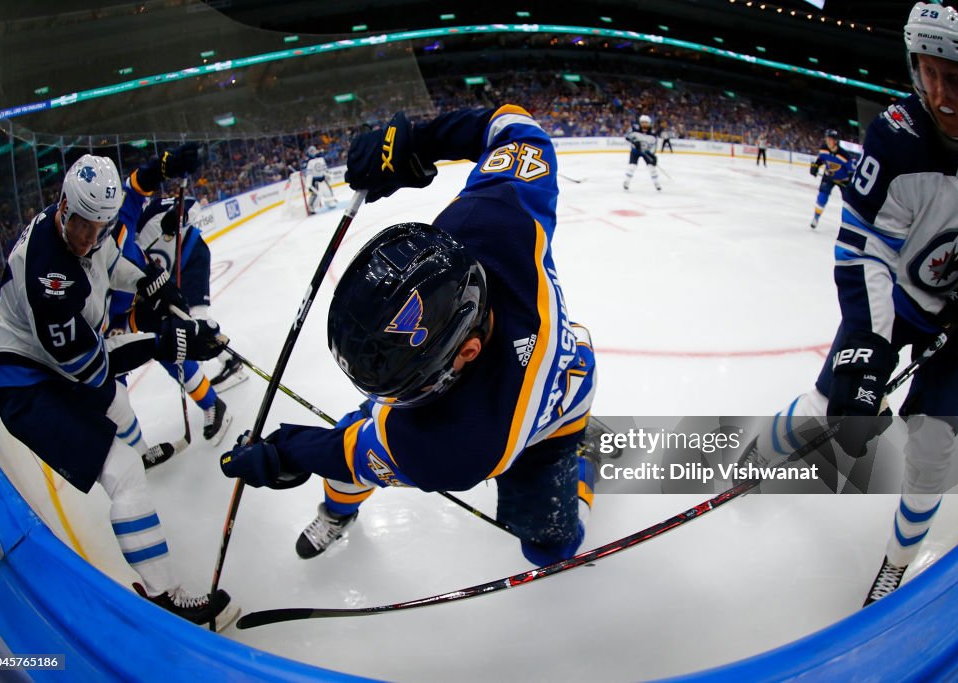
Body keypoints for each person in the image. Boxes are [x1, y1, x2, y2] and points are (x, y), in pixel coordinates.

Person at [220, 104, 599, 567]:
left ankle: (583, 462)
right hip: (523, 361)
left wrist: (282, 454)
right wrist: (416, 141)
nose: (396, 401)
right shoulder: (495, 220)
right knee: (358, 431)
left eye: (407, 388)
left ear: (467, 351)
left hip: (556, 413)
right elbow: (517, 130)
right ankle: (338, 512)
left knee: (550, 547)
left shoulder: (462, 445)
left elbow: (350, 455)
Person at [741, 2, 958, 607]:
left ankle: (896, 566)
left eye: (952, 77)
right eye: (926, 74)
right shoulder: (895, 137)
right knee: (827, 404)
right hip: (893, 304)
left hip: (951, 325)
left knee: (932, 456)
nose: (938, 92)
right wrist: (870, 348)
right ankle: (755, 460)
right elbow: (863, 247)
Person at [0, 154, 238, 628]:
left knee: (118, 407)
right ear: (62, 206)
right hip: (25, 383)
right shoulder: (48, 279)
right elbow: (93, 369)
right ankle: (164, 594)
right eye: (81, 225)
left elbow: (110, 262)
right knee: (121, 472)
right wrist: (168, 341)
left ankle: (142, 451)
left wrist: (150, 283)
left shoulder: (88, 228)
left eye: (99, 226)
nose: (88, 237)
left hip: (47, 361)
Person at [109, 146, 233, 464]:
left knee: (174, 345)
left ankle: (211, 402)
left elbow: (134, 187)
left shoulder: (114, 226)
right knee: (113, 382)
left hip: (151, 294)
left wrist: (163, 167)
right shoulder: (83, 285)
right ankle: (135, 453)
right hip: (117, 319)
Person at [808, 128, 857, 229]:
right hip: (828, 177)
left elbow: (852, 171)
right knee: (822, 196)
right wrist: (816, 166)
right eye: (827, 139)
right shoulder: (824, 148)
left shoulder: (844, 155)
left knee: (848, 202)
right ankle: (816, 218)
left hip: (843, 180)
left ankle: (849, 224)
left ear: (835, 141)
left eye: (830, 139)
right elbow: (821, 159)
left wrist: (850, 182)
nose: (828, 141)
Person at [624, 114, 661, 192]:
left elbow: (654, 146)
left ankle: (657, 184)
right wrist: (634, 143)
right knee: (632, 167)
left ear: (649, 123)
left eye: (646, 122)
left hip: (646, 152)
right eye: (643, 122)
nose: (644, 124)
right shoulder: (634, 130)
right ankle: (626, 182)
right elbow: (627, 138)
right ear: (640, 123)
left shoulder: (653, 134)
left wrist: (652, 156)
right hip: (635, 152)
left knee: (652, 168)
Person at [303, 146, 338, 213]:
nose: (313, 152)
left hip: (322, 178)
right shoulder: (308, 162)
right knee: (315, 194)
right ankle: (311, 207)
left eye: (313, 151)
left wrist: (328, 174)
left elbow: (324, 168)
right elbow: (308, 173)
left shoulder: (321, 158)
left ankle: (330, 201)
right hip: (315, 181)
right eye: (311, 151)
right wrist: (308, 182)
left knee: (328, 191)